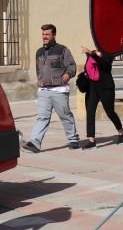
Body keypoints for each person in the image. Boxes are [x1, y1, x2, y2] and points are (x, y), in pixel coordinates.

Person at [23, 24, 81, 152]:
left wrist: (68, 74)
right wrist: (40, 81)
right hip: (44, 91)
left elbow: (72, 65)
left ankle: (73, 139)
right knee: (42, 117)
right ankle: (34, 143)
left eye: (47, 34)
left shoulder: (62, 50)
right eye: (43, 34)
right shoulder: (39, 52)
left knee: (65, 115)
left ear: (54, 35)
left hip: (59, 90)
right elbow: (39, 69)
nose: (44, 37)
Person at [78, 43, 123, 149]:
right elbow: (90, 68)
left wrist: (92, 54)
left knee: (110, 112)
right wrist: (89, 54)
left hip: (105, 87)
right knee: (90, 113)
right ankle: (91, 141)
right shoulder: (93, 53)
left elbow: (104, 64)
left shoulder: (108, 54)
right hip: (92, 87)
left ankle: (121, 131)